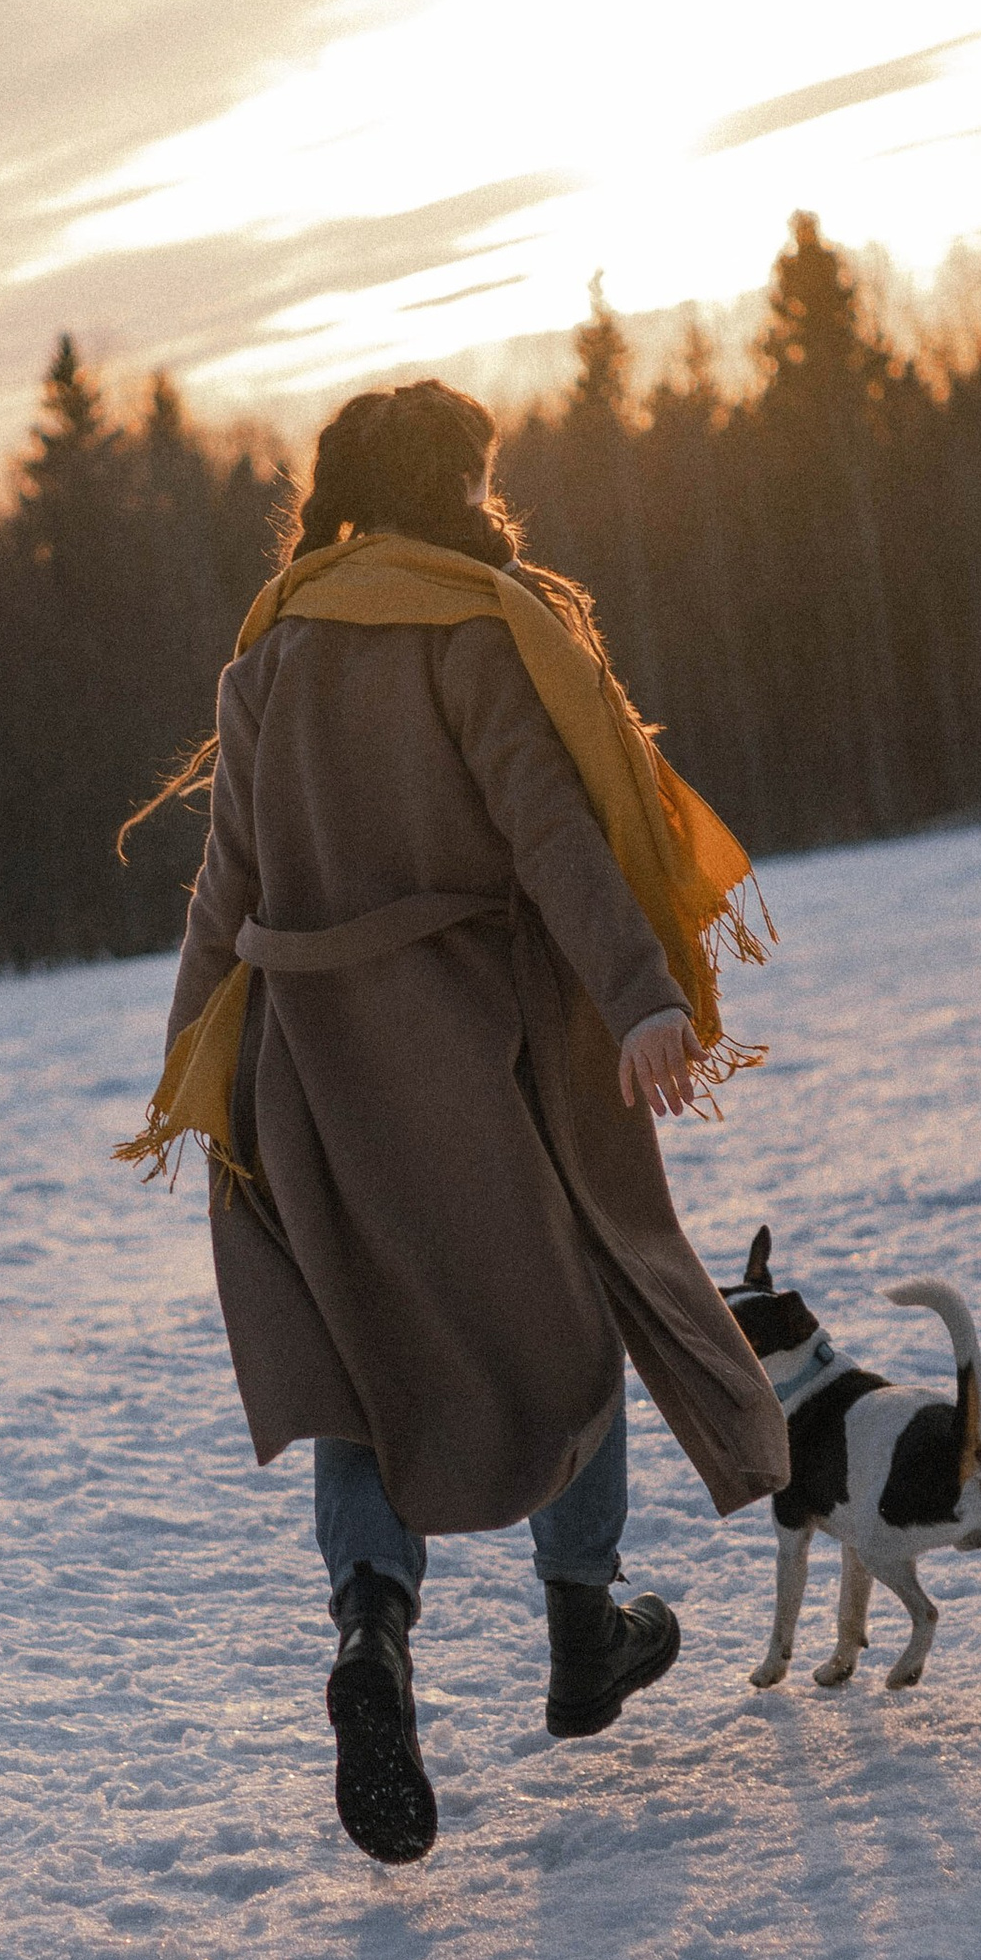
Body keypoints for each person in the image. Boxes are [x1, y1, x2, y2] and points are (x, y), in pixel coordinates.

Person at [120, 377, 790, 1865]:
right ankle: (582, 1624)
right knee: (586, 1295)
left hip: (308, 1076)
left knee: (367, 1361)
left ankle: (374, 1644)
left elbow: (221, 896)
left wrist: (191, 1083)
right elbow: (550, 830)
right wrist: (636, 996)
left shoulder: (268, 656)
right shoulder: (472, 628)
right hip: (469, 1054)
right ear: (453, 487)